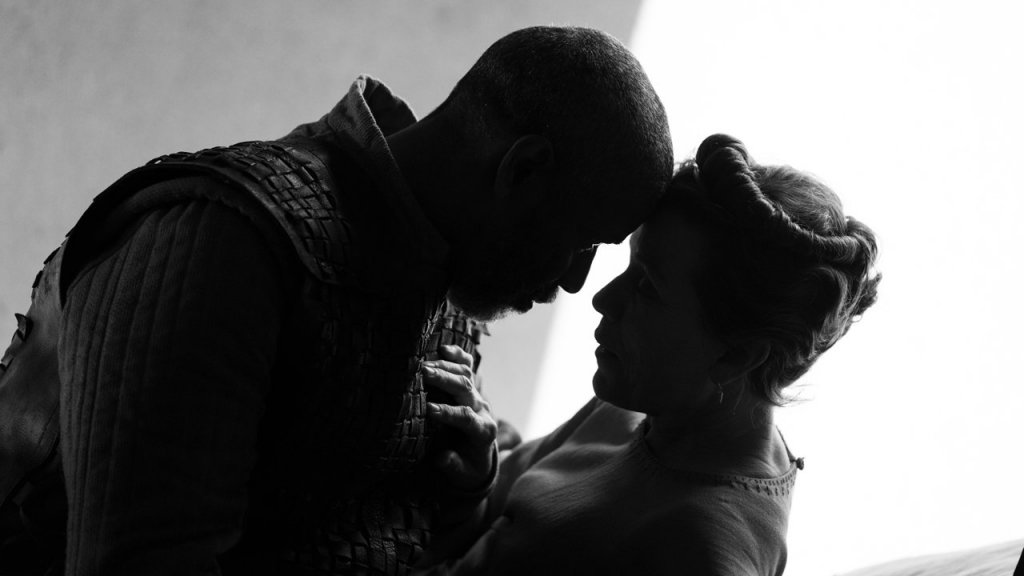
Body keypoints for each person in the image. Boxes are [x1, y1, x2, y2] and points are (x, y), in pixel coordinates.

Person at [0, 26, 673, 575]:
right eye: (582, 242)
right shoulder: (226, 244)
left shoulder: (433, 275)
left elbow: (356, 518)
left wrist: (466, 486)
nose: (574, 284)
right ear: (519, 170)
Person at [418, 134, 881, 575]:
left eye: (648, 287)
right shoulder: (646, 401)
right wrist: (479, 467)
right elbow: (504, 523)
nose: (602, 299)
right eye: (630, 266)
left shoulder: (701, 552)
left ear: (737, 357)